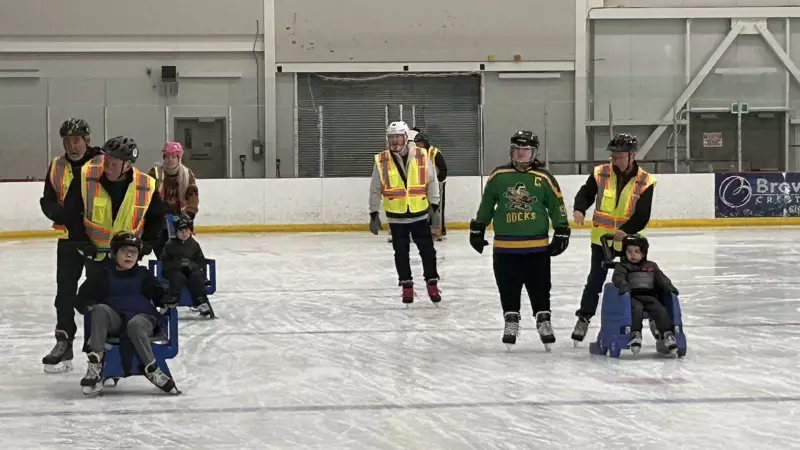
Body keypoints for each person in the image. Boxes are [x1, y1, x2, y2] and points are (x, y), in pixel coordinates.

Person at [469, 130, 571, 350]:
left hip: (537, 247)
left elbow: (557, 206)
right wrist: (478, 227)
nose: (520, 154)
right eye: (517, 150)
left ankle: (544, 320)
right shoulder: (499, 176)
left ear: (533, 152)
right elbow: (487, 203)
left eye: (525, 150)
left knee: (540, 287)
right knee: (508, 286)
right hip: (506, 247)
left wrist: (562, 229)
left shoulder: (544, 178)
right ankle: (511, 321)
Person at [570, 133, 656, 345]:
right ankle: (584, 318)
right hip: (602, 241)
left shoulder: (645, 180)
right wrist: (579, 209)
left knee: (637, 284)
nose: (615, 160)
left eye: (619, 156)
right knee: (594, 282)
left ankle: (641, 323)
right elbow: (585, 193)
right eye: (613, 156)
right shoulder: (601, 173)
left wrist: (626, 231)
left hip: (631, 244)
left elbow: (643, 214)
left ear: (632, 155)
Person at [75, 231, 178, 395]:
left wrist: (166, 298)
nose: (130, 255)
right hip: (115, 320)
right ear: (115, 253)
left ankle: (152, 369)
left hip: (142, 319)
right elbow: (83, 297)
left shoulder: (143, 274)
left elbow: (158, 293)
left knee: (135, 325)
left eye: (134, 252)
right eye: (125, 251)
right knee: (100, 309)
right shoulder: (102, 274)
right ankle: (96, 361)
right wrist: (85, 303)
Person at [39, 118, 104, 373]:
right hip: (68, 240)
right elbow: (47, 201)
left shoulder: (101, 163)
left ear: (87, 140)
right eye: (66, 141)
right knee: (64, 294)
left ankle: (96, 347)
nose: (71, 145)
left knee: (96, 294)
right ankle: (63, 342)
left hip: (97, 241)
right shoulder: (57, 166)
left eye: (76, 140)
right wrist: (65, 215)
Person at [368, 121, 442, 306]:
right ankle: (406, 286)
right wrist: (373, 213)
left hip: (419, 213)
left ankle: (431, 283)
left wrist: (434, 206)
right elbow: (375, 188)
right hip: (396, 215)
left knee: (428, 251)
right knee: (401, 253)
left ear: (406, 137)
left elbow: (432, 181)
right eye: (391, 137)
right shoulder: (382, 160)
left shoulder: (421, 155)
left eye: (398, 136)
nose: (394, 141)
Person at [66, 136, 164, 263]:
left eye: (114, 165)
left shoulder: (146, 185)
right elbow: (71, 213)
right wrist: (82, 242)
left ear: (128, 166)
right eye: (106, 162)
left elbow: (156, 219)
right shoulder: (85, 177)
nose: (107, 168)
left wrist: (146, 244)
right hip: (96, 255)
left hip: (128, 256)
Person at [611, 235, 679, 354]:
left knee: (660, 310)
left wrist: (669, 287)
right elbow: (618, 278)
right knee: (636, 309)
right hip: (632, 297)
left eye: (637, 252)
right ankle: (635, 334)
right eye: (629, 251)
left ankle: (666, 333)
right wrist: (624, 287)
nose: (633, 255)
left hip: (650, 296)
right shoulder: (622, 266)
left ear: (643, 253)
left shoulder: (651, 266)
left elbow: (661, 279)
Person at [149, 141, 200, 258]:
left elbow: (193, 195)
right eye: (167, 156)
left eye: (173, 156)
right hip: (159, 222)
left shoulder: (187, 174)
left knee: (182, 253)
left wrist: (190, 213)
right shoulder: (155, 173)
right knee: (163, 256)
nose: (170, 160)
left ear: (179, 158)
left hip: (180, 221)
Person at [161, 214, 214, 318]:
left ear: (190, 231)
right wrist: (177, 264)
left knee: (196, 276)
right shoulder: (170, 245)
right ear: (176, 232)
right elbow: (164, 261)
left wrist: (192, 265)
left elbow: (200, 260)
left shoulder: (194, 244)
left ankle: (200, 301)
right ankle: (173, 299)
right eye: (181, 231)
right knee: (178, 277)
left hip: (191, 270)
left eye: (186, 230)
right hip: (174, 270)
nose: (184, 233)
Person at [412, 128, 448, 240]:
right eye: (416, 144)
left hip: (435, 184)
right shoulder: (415, 154)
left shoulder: (434, 152)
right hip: (420, 186)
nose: (418, 146)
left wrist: (436, 182)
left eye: (420, 144)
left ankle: (437, 231)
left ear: (425, 143)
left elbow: (443, 169)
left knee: (436, 208)